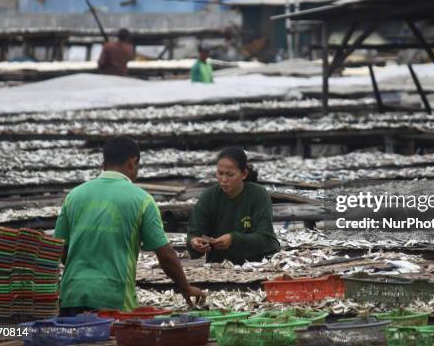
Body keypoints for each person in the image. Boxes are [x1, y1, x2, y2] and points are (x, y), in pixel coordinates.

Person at [55, 135, 205, 315]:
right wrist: (186, 288)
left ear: (104, 164)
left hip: (72, 294)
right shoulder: (142, 200)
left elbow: (60, 250)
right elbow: (165, 255)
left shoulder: (73, 196)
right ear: (132, 163)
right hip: (114, 299)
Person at [187, 147, 280, 265]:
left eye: (230, 175)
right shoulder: (209, 196)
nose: (223, 180)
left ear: (244, 174)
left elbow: (265, 238)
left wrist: (233, 239)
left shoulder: (258, 194)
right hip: (219, 264)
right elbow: (194, 232)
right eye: (220, 173)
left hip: (258, 263)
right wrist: (194, 243)